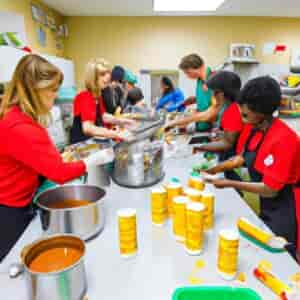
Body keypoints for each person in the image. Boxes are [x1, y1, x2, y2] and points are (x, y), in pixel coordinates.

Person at [0, 54, 112, 261]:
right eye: (52, 91)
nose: (56, 96)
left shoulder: (17, 116)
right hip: (10, 210)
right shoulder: (21, 127)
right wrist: (91, 161)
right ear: (34, 90)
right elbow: (59, 173)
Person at [203, 76, 300, 260]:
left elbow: (270, 190)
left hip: (286, 206)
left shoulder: (284, 139)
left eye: (246, 115)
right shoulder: (255, 127)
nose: (242, 118)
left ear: (262, 113)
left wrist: (229, 183)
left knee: (281, 255)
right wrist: (215, 169)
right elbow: (241, 158)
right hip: (266, 202)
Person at [70, 60, 134, 144]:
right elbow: (88, 128)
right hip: (81, 143)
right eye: (103, 74)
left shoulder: (97, 95)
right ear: (93, 77)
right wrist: (116, 134)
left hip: (91, 141)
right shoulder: (85, 96)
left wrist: (122, 121)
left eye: (108, 73)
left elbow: (103, 116)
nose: (108, 76)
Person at [179, 54, 213, 132]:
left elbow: (215, 107)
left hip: (211, 127)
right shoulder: (199, 80)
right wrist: (195, 99)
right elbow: (206, 99)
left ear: (199, 67)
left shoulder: (212, 79)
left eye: (188, 72)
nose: (188, 76)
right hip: (201, 124)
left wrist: (191, 117)